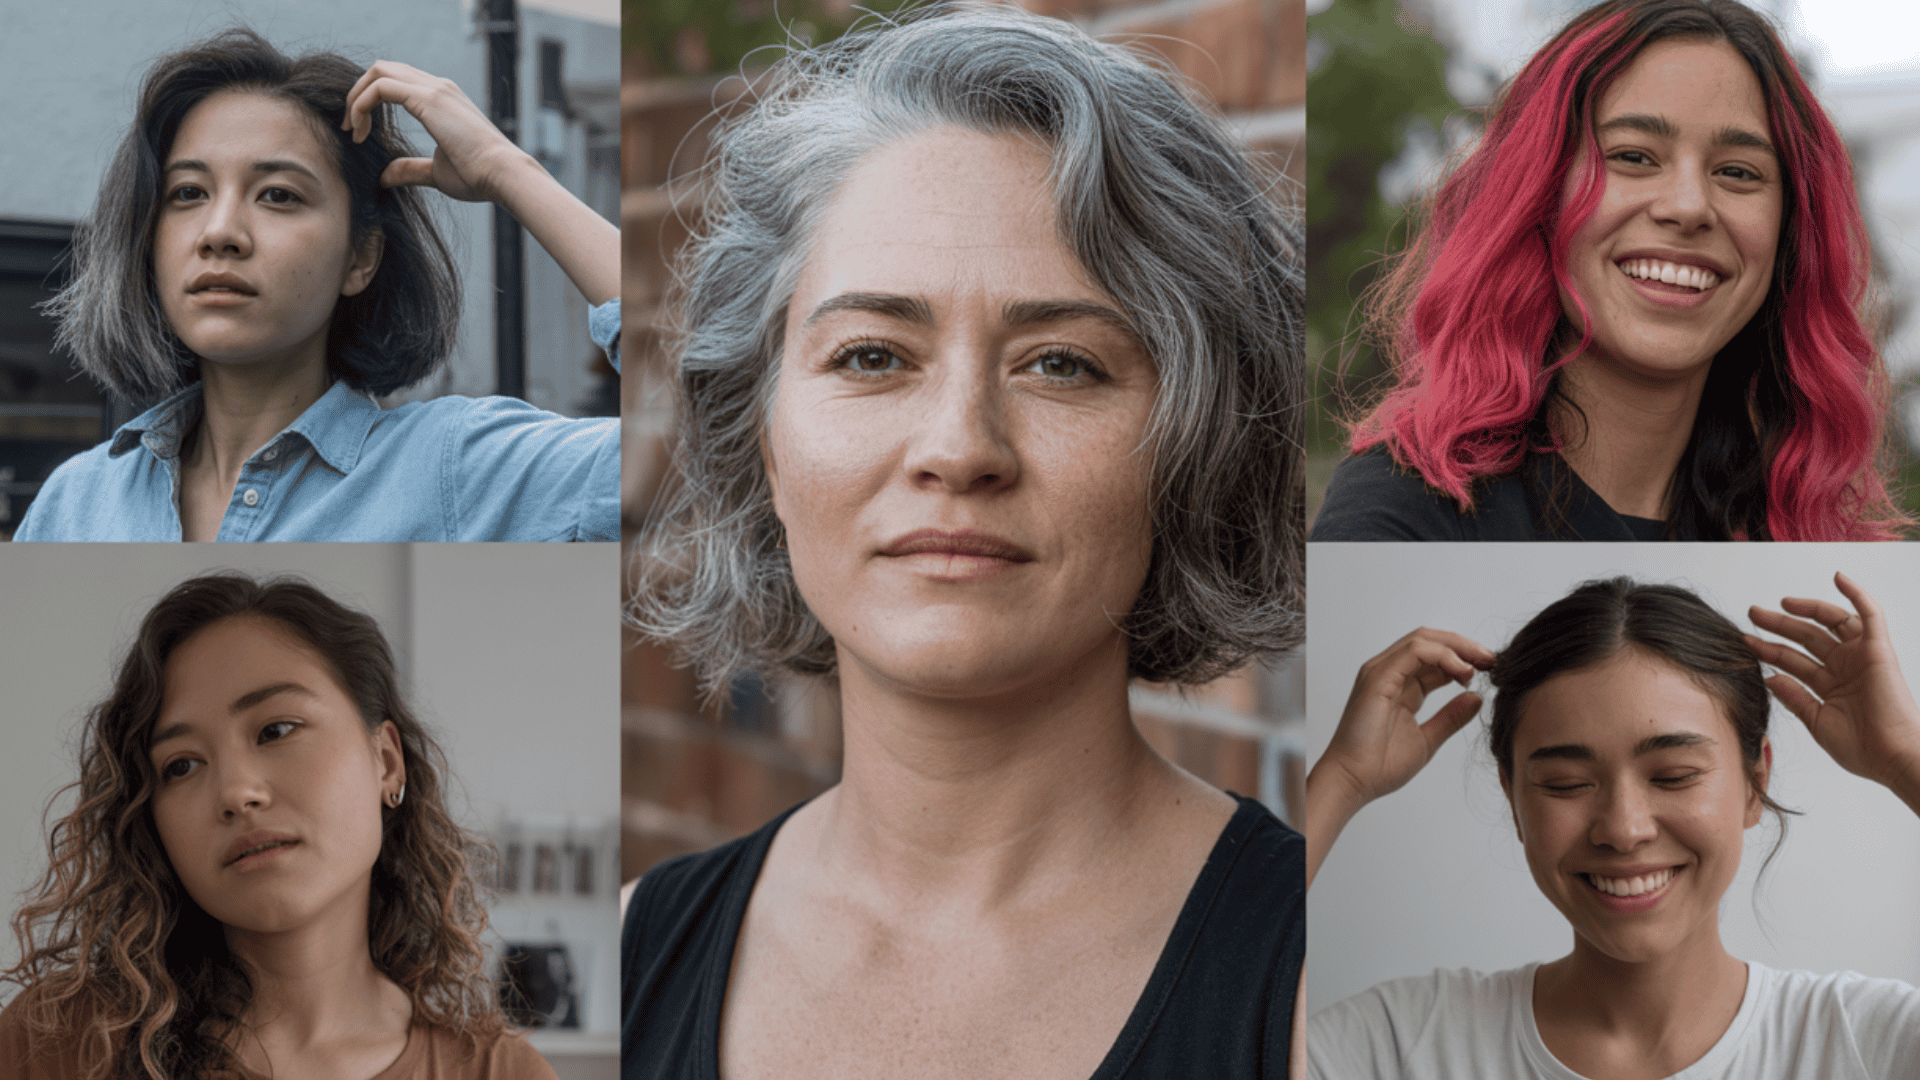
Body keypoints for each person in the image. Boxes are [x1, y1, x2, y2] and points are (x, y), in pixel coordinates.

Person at [623, 5, 1305, 1078]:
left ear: (1194, 443)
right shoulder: (624, 959)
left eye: (1063, 364)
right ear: (760, 434)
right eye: (869, 356)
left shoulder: (1327, 989)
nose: (959, 448)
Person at [1310, 0, 1907, 542]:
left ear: (1789, 235)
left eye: (1739, 172)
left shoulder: (1823, 548)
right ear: (1537, 198)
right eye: (1632, 157)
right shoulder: (1402, 514)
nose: (1688, 206)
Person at [15, 28, 620, 542]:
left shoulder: (455, 471)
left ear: (361, 257)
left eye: (278, 195)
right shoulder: (74, 505)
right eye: (188, 194)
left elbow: (705, 436)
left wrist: (508, 170)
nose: (220, 232)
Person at [1304, 574, 1920, 1078]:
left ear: (1754, 782)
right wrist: (1339, 782)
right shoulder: (1394, 1048)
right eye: (1567, 784)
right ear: (1513, 798)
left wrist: (1904, 760)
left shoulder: (1873, 1043)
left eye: (1673, 775)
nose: (1623, 830)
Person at [0, 573, 556, 1078]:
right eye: (182, 765)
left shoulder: (502, 1071)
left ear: (386, 761)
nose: (237, 794)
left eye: (276, 730)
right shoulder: (60, 1043)